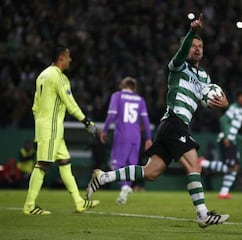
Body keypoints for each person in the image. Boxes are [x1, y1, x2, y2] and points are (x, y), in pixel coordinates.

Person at [87, 14, 231, 228]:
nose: (197, 49)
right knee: (194, 165)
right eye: (192, 45)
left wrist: (224, 103)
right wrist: (192, 32)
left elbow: (214, 98)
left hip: (170, 126)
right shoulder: (178, 66)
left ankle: (103, 178)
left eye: (200, 46)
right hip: (174, 122)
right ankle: (202, 214)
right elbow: (182, 53)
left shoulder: (205, 79)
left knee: (151, 172)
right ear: (185, 48)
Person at [23, 45, 100, 215]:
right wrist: (86, 122)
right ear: (61, 58)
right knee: (42, 165)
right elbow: (70, 103)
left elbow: (35, 106)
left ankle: (79, 202)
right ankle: (29, 206)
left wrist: (41, 122)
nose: (70, 59)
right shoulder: (58, 77)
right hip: (51, 128)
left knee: (65, 162)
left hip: (48, 127)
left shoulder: (42, 75)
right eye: (68, 56)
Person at [99, 76, 153, 204]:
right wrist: (149, 138)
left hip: (122, 135)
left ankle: (124, 186)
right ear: (134, 88)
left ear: (122, 85)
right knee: (131, 167)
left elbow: (111, 114)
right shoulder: (140, 100)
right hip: (136, 136)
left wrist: (105, 130)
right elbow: (145, 120)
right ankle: (124, 194)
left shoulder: (117, 96)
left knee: (116, 164)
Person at [199, 89, 242, 199]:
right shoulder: (234, 108)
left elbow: (232, 129)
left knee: (234, 167)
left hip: (231, 140)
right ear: (240, 97)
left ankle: (224, 192)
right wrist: (227, 137)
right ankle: (203, 163)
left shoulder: (240, 110)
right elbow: (223, 120)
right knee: (232, 167)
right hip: (227, 140)